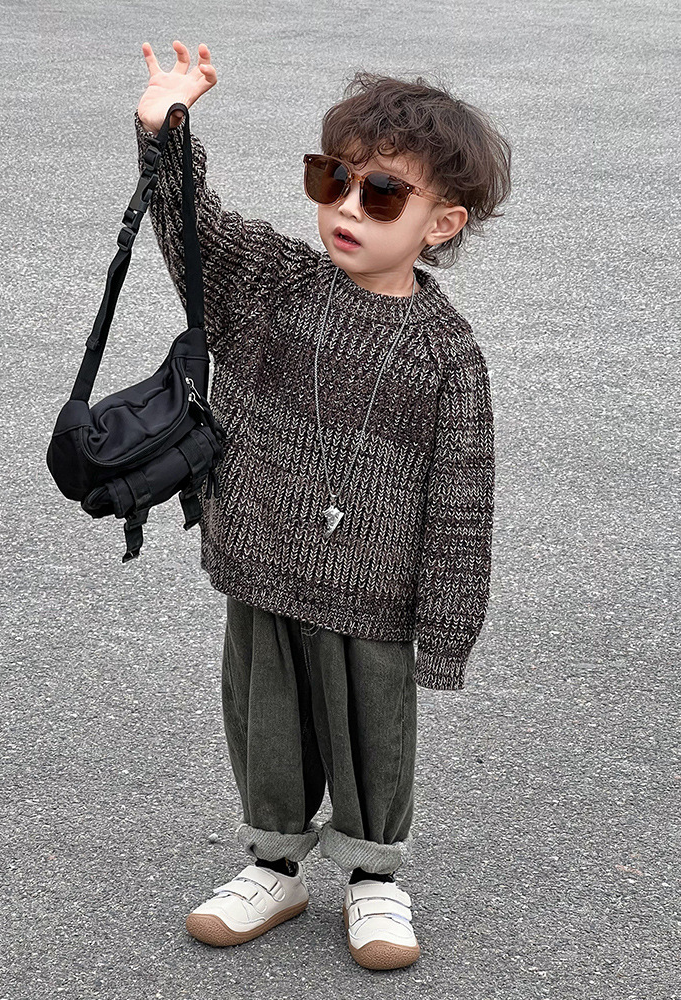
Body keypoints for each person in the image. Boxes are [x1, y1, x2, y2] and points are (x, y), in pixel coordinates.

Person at [134, 39, 511, 971]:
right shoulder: (272, 286)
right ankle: (274, 864)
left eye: (381, 194)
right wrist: (163, 131)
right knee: (266, 719)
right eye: (330, 178)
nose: (345, 206)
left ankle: (375, 877)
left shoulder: (447, 353)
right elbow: (192, 228)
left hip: (373, 596)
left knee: (373, 735)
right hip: (263, 560)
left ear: (441, 223)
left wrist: (446, 630)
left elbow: (462, 501)